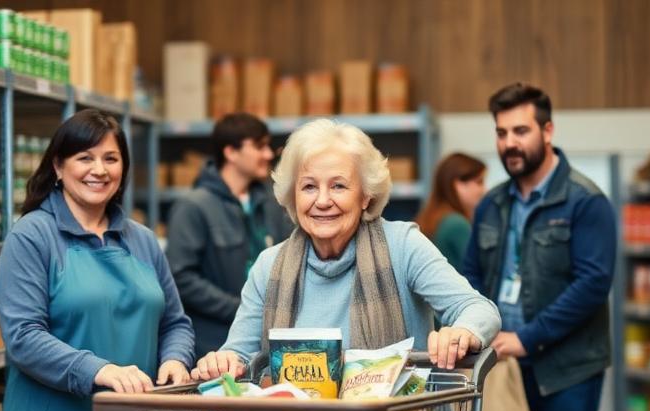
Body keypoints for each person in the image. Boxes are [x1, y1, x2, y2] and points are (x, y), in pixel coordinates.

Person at [0, 109, 195, 411]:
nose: (99, 170)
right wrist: (100, 370)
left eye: (111, 158)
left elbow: (174, 322)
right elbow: (23, 337)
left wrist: (176, 359)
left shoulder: (140, 239)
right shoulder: (33, 236)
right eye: (85, 158)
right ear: (58, 166)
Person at [190, 118, 501, 382]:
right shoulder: (269, 266)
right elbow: (238, 353)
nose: (322, 200)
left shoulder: (402, 246)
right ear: (292, 196)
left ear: (365, 195)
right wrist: (222, 361)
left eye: (338, 186)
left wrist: (461, 332)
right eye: (309, 186)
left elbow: (479, 309)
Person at [464, 83, 616, 411]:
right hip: (510, 367)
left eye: (521, 130)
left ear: (547, 131)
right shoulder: (492, 204)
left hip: (569, 367)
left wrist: (528, 336)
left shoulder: (584, 201)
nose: (510, 142)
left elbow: (593, 283)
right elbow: (471, 274)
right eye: (501, 132)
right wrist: (476, 328)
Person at [418, 152, 523, 411]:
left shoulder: (430, 220)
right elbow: (473, 290)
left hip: (436, 343)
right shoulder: (457, 225)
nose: (480, 189)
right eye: (473, 181)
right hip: (462, 342)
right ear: (454, 184)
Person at [166, 113, 293, 359]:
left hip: (268, 341)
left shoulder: (273, 204)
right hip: (213, 344)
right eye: (259, 146)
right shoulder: (194, 207)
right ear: (231, 152)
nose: (268, 154)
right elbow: (181, 277)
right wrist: (244, 308)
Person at [416, 152, 487, 270]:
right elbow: (478, 272)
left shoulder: (434, 218)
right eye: (479, 182)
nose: (484, 190)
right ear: (458, 184)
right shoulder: (456, 224)